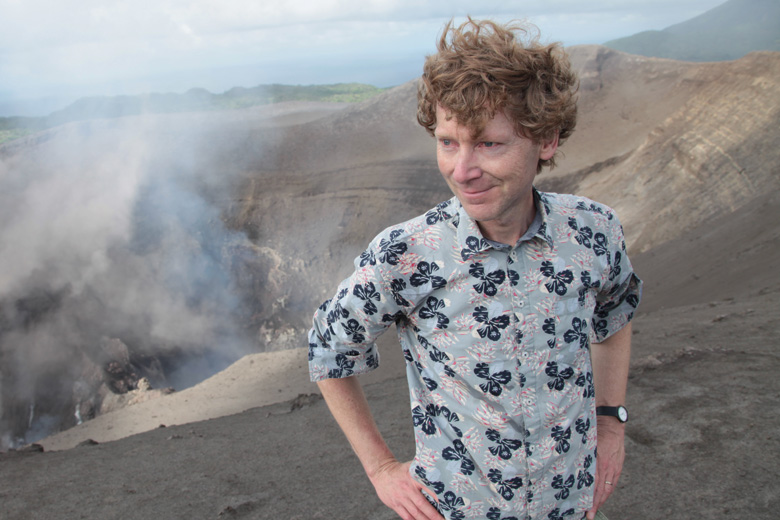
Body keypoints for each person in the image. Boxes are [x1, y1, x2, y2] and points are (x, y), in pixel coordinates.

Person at [308, 18, 642, 520]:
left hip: (572, 503)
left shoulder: (593, 231)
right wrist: (380, 468)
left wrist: (610, 422)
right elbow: (329, 347)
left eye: (488, 144)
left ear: (546, 140)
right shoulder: (406, 254)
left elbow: (615, 314)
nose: (461, 170)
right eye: (448, 142)